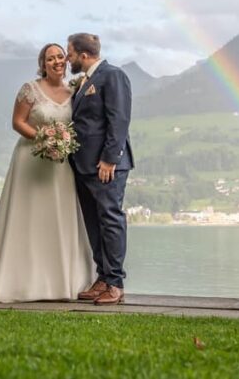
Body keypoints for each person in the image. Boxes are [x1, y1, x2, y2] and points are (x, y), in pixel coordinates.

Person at [0, 43, 94, 302]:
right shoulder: (29, 90)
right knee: (27, 219)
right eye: (50, 58)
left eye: (60, 57)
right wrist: (44, 137)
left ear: (66, 61)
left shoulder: (75, 91)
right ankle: (19, 284)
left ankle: (61, 285)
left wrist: (60, 144)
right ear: (43, 64)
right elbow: (17, 122)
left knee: (57, 220)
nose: (56, 61)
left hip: (61, 167)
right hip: (30, 160)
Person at [66, 33, 134, 306]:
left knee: (110, 219)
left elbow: (119, 119)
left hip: (106, 166)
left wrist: (109, 159)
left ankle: (115, 282)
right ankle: (103, 278)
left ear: (83, 55)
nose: (68, 58)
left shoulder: (113, 75)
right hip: (83, 166)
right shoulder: (84, 81)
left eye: (70, 53)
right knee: (94, 223)